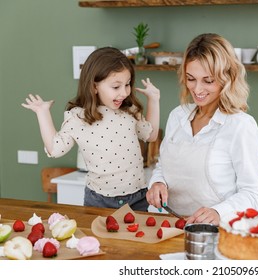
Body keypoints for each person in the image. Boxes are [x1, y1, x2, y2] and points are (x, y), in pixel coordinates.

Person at [146, 33, 258, 225]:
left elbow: (253, 193)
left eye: (208, 81)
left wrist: (218, 212)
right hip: (169, 225)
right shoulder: (178, 115)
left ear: (227, 78)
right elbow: (163, 166)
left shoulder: (240, 125)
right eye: (191, 79)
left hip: (217, 231)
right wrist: (158, 183)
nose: (197, 89)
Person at [22, 47, 160, 210]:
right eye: (116, 87)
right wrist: (43, 112)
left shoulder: (129, 111)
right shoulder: (79, 117)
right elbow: (55, 149)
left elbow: (150, 135)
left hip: (137, 197)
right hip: (99, 200)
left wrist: (154, 100)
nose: (124, 92)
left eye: (127, 84)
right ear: (94, 86)